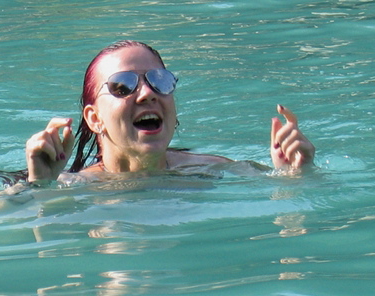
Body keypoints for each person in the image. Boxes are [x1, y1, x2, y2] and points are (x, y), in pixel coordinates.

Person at [24, 40, 315, 187]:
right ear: (94, 119)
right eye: (123, 85)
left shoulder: (209, 171)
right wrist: (39, 187)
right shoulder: (73, 188)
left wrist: (294, 172)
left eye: (158, 80)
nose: (148, 92)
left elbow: (296, 202)